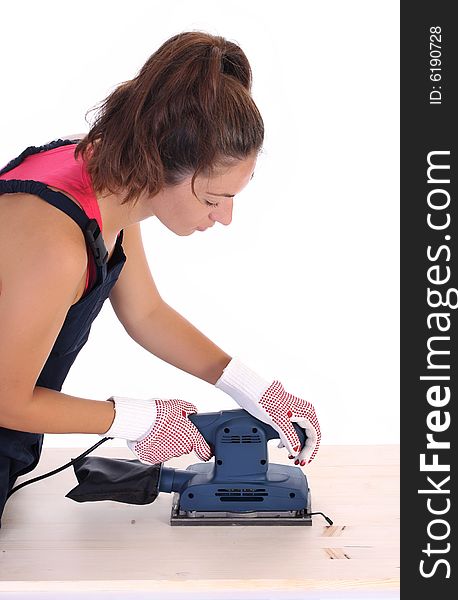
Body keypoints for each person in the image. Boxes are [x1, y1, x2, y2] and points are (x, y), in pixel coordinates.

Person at [0, 31, 320, 524]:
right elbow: (6, 398)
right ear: (159, 164)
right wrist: (135, 419)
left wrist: (250, 388)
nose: (226, 217)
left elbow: (145, 312)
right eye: (213, 199)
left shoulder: (105, 177)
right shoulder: (54, 242)